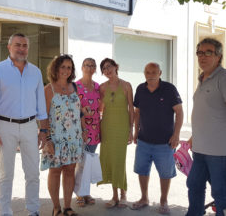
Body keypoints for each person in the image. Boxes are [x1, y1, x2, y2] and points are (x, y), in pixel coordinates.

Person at [0, 33, 48, 216]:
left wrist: (43, 130)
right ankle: (5, 212)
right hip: (5, 126)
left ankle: (33, 210)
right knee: (6, 174)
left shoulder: (35, 72)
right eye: (17, 45)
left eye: (24, 45)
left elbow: (41, 105)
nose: (21, 49)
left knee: (33, 173)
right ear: (9, 47)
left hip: (30, 126)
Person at [132, 62, 183, 214]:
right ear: (144, 73)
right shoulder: (140, 89)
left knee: (165, 173)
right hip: (144, 140)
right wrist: (136, 132)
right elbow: (137, 112)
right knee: (142, 171)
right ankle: (144, 198)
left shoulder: (169, 89)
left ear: (160, 73)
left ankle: (164, 201)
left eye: (154, 71)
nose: (151, 74)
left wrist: (176, 135)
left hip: (165, 142)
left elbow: (179, 112)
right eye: (148, 71)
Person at [41, 54, 86, 216]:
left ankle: (67, 207)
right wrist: (46, 139)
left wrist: (84, 130)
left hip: (74, 138)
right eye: (63, 67)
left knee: (69, 170)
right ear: (55, 68)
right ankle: (56, 208)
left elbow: (78, 111)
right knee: (55, 171)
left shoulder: (75, 87)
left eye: (69, 67)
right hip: (55, 138)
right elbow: (44, 115)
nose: (66, 70)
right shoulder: (48, 89)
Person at [186, 38, 226, 216]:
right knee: (194, 184)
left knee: (220, 192)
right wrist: (195, 136)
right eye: (200, 52)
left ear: (218, 56)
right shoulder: (202, 79)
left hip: (219, 151)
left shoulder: (223, 78)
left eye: (208, 52)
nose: (202, 56)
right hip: (200, 148)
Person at [97, 58, 134, 209]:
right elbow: (100, 109)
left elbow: (131, 108)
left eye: (109, 66)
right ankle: (114, 195)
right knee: (109, 159)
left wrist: (131, 129)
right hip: (107, 127)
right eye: (104, 68)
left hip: (122, 127)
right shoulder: (102, 87)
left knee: (120, 159)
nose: (107, 70)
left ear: (115, 67)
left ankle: (123, 193)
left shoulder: (126, 85)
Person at [74, 58, 101, 207]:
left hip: (95, 130)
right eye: (87, 65)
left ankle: (86, 191)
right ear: (82, 67)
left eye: (92, 65)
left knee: (89, 162)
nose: (89, 68)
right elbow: (74, 108)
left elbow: (100, 108)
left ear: (95, 69)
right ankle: (79, 192)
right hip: (80, 130)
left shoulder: (97, 87)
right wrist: (82, 115)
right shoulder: (76, 86)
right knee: (80, 164)